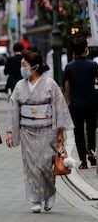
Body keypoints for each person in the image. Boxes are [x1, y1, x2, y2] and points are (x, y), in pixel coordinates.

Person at [6, 50, 73, 213]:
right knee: (31, 167)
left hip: (47, 130)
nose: (22, 68)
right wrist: (10, 131)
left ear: (34, 67)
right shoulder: (20, 85)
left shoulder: (50, 84)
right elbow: (13, 108)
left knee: (44, 166)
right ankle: (35, 199)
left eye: (24, 65)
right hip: (27, 131)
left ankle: (49, 192)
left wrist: (60, 132)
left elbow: (59, 107)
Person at [64, 37, 98, 169]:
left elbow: (67, 86)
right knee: (91, 129)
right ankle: (91, 152)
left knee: (78, 132)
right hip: (91, 102)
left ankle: (83, 161)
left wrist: (68, 101)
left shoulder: (69, 67)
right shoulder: (93, 65)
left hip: (76, 104)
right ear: (86, 50)